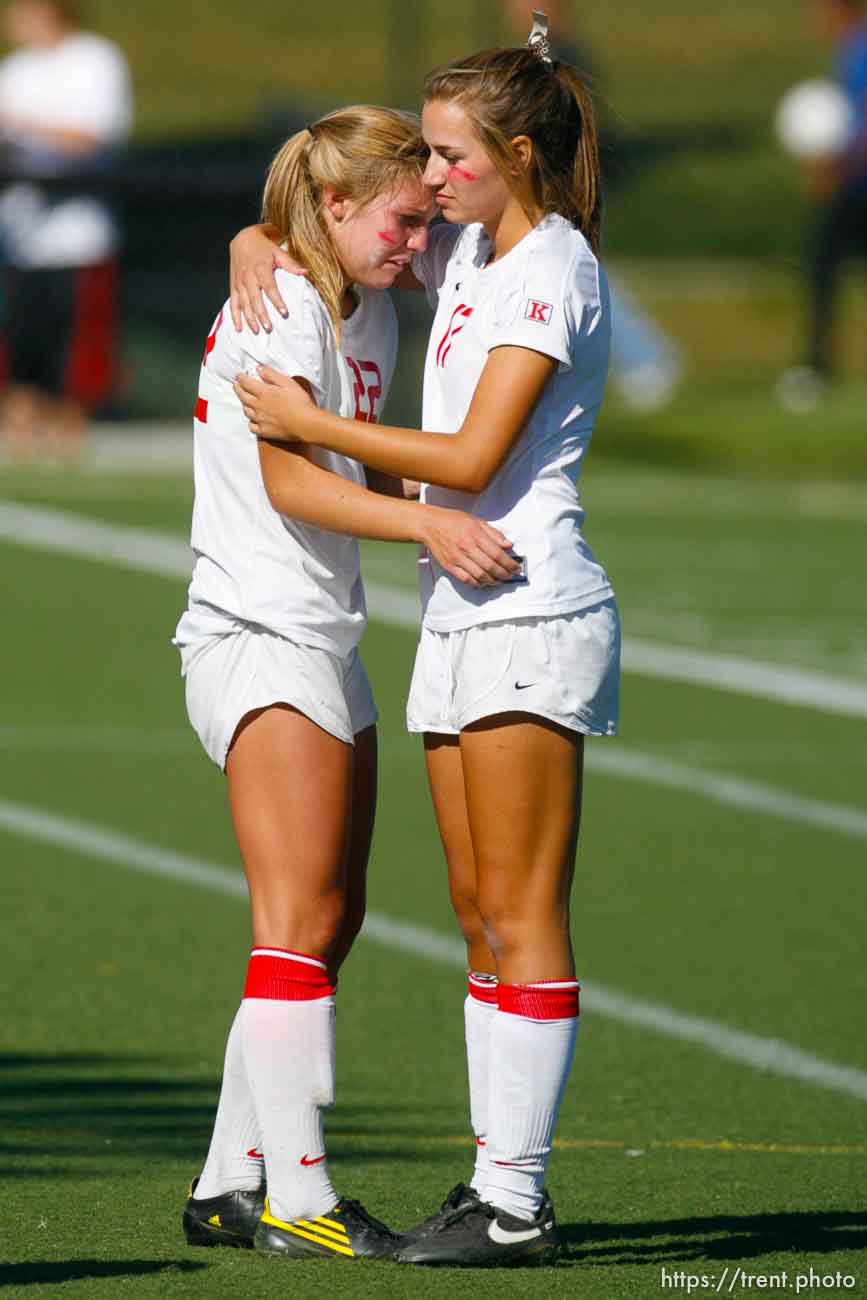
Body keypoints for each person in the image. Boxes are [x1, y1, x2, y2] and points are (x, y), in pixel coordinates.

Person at [232, 18, 620, 1268]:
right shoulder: (471, 245)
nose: (431, 177)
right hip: (460, 608)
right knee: (474, 912)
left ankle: (516, 1198)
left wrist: (304, 423)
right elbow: (330, 204)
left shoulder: (551, 266)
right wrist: (250, 237)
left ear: (515, 154)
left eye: (452, 154)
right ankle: (492, 1186)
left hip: (527, 600)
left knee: (522, 908)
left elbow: (468, 460)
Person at [175, 104, 519, 1265]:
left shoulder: (360, 292)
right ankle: (299, 1195)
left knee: (335, 918)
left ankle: (231, 1179)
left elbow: (485, 238)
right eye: (401, 221)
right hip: (258, 628)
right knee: (297, 917)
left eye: (425, 223)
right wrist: (433, 526)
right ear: (333, 206)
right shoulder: (278, 301)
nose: (416, 245)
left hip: (320, 632)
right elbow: (295, 485)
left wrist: (261, 229)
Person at [0, 0, 132, 461]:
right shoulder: (14, 69)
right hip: (19, 239)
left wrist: (22, 127)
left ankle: (69, 434)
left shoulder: (95, 59)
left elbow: (91, 137)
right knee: (20, 342)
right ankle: (19, 431)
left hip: (79, 238)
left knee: (76, 347)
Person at [778, 0, 867, 409]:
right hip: (852, 186)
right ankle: (816, 365)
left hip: (854, 188)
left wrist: (836, 169)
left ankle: (816, 367)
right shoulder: (848, 50)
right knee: (823, 271)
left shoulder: (859, 49)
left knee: (824, 272)